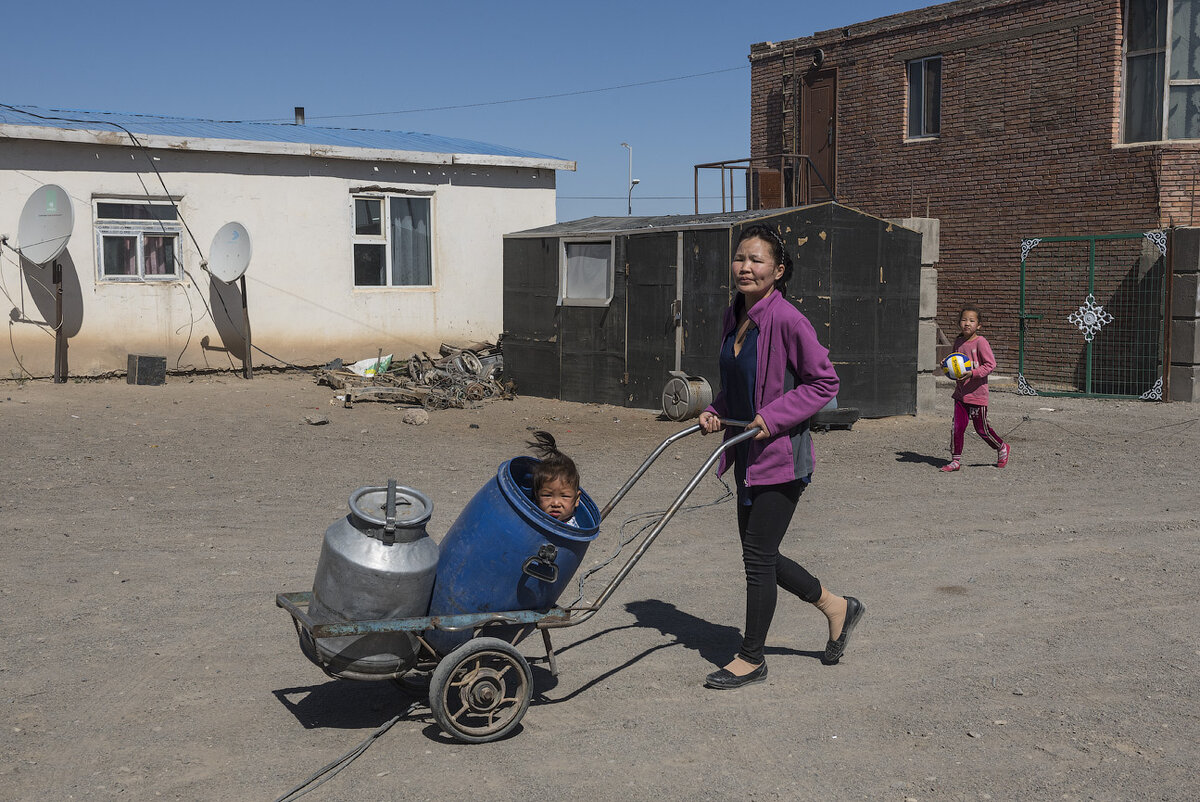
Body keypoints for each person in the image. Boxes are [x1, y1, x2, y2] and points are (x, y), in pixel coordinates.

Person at [696, 224, 865, 690]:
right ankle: (837, 606)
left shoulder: (789, 320)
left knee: (757, 556)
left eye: (757, 260)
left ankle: (752, 658)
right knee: (761, 555)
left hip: (782, 457)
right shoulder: (734, 316)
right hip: (747, 455)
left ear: (779, 269)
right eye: (740, 258)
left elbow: (824, 384)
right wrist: (715, 410)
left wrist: (773, 417)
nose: (745, 267)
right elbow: (734, 386)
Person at [941, 304, 1009, 472]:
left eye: (972, 320)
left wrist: (973, 373)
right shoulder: (958, 341)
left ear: (979, 325)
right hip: (960, 395)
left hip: (977, 395)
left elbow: (990, 364)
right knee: (957, 427)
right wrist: (946, 366)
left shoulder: (981, 342)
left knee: (982, 429)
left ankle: (1001, 447)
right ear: (959, 323)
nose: (967, 323)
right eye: (964, 320)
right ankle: (955, 461)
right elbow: (955, 364)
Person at [527, 430, 581, 525]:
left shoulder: (570, 531)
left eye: (565, 496)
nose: (556, 504)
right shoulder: (529, 519)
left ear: (577, 499)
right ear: (536, 496)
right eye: (547, 495)